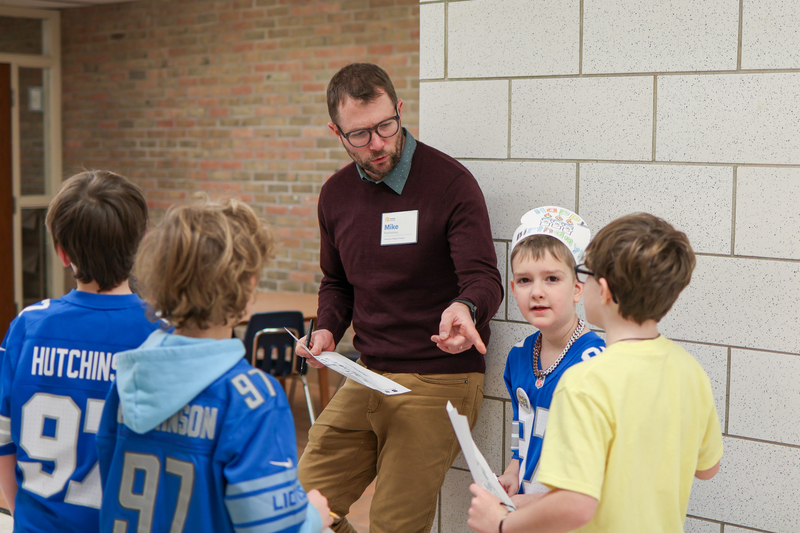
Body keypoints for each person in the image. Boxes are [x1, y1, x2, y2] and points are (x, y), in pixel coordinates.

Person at [297, 62, 503, 533]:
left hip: (440, 379)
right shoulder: (335, 195)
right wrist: (327, 327)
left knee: (391, 525)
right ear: (336, 131)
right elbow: (337, 283)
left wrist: (464, 308)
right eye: (360, 134)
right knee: (295, 509)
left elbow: (484, 278)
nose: (378, 143)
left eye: (387, 126)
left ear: (400, 110)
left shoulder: (450, 183)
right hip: (368, 374)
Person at [468, 213, 723, 533]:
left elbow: (576, 504)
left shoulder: (585, 379)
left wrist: (503, 523)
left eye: (583, 274)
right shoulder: (690, 369)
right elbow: (707, 468)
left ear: (599, 290)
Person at [96, 198, 333, 533]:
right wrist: (312, 517)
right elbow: (274, 528)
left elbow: (107, 479)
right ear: (249, 284)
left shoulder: (126, 379)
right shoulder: (253, 398)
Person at [0, 170, 159, 532]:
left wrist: (24, 516)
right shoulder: (163, 332)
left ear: (61, 251)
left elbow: (3, 443)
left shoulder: (27, 326)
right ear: (142, 243)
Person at [497, 207, 604, 499]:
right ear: (513, 288)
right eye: (524, 280)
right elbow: (523, 430)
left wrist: (531, 506)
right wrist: (512, 472)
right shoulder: (518, 356)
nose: (537, 291)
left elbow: (597, 468)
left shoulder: (597, 362)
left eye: (552, 279)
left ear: (578, 289)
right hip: (527, 506)